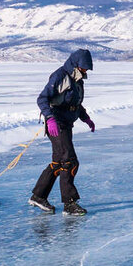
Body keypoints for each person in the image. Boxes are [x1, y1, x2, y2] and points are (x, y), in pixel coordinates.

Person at [29, 49, 96, 215]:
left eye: (87, 68)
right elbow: (42, 98)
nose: (85, 71)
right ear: (75, 64)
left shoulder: (77, 79)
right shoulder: (60, 76)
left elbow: (75, 103)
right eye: (83, 67)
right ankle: (70, 203)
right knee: (70, 161)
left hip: (66, 123)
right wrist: (50, 118)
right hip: (56, 124)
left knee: (59, 162)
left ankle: (38, 196)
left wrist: (85, 118)